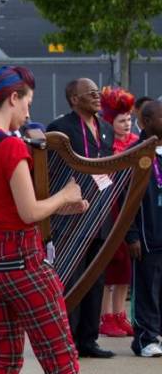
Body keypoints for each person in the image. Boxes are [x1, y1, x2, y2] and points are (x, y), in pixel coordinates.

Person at [0, 65, 147, 374]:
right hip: (22, 262)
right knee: (61, 360)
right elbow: (29, 212)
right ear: (13, 98)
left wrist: (62, 204)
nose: (29, 109)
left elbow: (4, 205)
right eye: (27, 100)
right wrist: (65, 194)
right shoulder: (11, 148)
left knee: (3, 361)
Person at [46, 78, 116, 358]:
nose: (97, 96)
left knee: (95, 276)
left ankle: (89, 339)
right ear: (74, 99)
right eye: (90, 93)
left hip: (100, 213)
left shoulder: (107, 130)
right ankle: (67, 340)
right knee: (71, 275)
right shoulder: (59, 129)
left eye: (98, 92)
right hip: (71, 215)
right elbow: (50, 171)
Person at [98, 87, 137, 338]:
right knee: (109, 266)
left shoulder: (136, 144)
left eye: (129, 120)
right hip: (109, 207)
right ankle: (106, 317)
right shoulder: (105, 145)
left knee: (125, 268)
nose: (127, 124)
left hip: (129, 207)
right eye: (121, 120)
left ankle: (120, 314)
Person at [127, 100, 162, 357]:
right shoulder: (135, 153)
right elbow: (125, 199)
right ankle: (144, 339)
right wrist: (132, 235)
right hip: (146, 235)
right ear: (146, 122)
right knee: (146, 289)